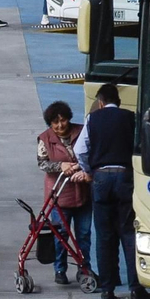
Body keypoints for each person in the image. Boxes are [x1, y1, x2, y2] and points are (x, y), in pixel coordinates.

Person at [77, 83, 150, 299]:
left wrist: (88, 171)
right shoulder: (130, 117)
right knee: (129, 232)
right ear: (118, 101)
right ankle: (136, 286)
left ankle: (108, 288)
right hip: (125, 177)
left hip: (101, 178)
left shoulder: (93, 119)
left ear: (100, 102)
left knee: (104, 234)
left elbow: (80, 149)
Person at [36, 100, 92, 286]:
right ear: (50, 124)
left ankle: (84, 267)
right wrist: (61, 166)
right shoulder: (44, 139)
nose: (60, 125)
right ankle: (60, 269)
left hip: (83, 194)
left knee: (84, 234)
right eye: (55, 122)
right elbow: (42, 163)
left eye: (63, 120)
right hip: (60, 196)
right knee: (60, 236)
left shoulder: (83, 131)